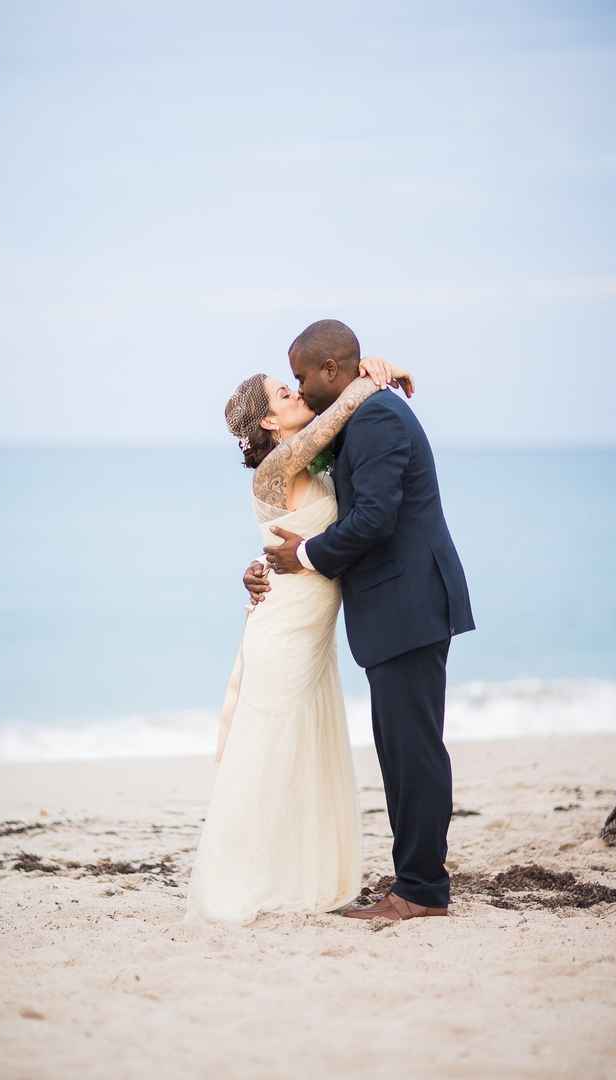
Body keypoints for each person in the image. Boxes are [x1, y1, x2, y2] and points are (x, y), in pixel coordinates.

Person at [243, 319, 475, 922]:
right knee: (402, 749)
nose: (298, 387)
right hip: (397, 607)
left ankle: (421, 889)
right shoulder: (360, 417)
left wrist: (305, 556)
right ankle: (414, 880)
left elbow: (374, 517)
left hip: (409, 604)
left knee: (413, 751)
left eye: (300, 376)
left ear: (328, 371)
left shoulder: (375, 421)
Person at [184, 354, 415, 924]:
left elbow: (293, 536)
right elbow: (334, 417)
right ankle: (235, 881)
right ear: (267, 422)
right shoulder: (278, 468)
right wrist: (369, 377)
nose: (295, 394)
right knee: (265, 754)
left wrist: (370, 370)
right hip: (284, 631)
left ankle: (302, 875)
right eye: (283, 394)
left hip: (312, 634)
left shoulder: (315, 467)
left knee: (307, 754)